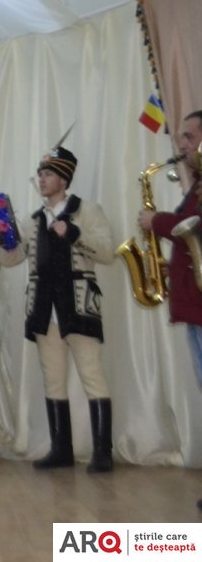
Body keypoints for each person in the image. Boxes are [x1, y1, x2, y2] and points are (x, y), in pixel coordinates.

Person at [0, 143, 115, 471]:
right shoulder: (33, 219)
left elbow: (107, 252)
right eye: (40, 173)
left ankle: (103, 452)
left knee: (93, 376)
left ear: (63, 179)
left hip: (78, 306)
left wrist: (74, 232)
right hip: (43, 308)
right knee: (53, 379)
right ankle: (61, 450)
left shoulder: (87, 211)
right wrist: (3, 235)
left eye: (48, 173)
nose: (42, 178)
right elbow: (11, 259)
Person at [138, 110, 202, 507]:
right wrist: (171, 267)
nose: (182, 145)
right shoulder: (195, 187)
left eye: (189, 137)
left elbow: (192, 225)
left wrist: (156, 220)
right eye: (181, 137)